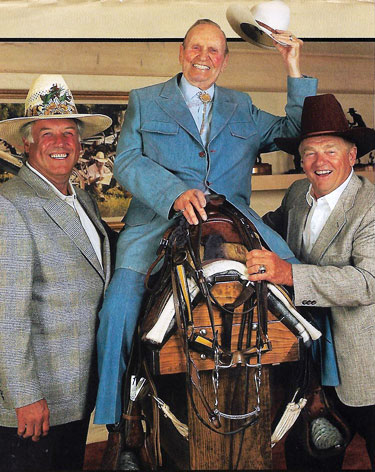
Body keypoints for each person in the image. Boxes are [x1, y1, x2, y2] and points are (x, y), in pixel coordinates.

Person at [95, 18, 318, 425]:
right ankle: (118, 419)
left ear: (225, 60)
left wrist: (293, 65)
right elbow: (125, 160)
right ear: (181, 53)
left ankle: (321, 398)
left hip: (236, 221)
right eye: (195, 48)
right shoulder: (144, 100)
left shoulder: (242, 106)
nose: (203, 57)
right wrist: (172, 195)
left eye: (213, 50)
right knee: (120, 307)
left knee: (304, 283)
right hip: (157, 226)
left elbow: (296, 131)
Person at [246, 93, 375, 469]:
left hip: (364, 364)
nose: (320, 161)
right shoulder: (297, 195)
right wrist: (227, 218)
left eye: (331, 150)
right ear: (300, 160)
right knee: (306, 459)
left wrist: (288, 273)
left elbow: (367, 282)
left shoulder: (371, 206)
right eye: (310, 152)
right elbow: (271, 229)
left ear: (352, 155)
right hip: (309, 365)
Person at [0, 74, 113, 471]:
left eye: (68, 132)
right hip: (35, 403)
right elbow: (6, 317)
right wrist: (25, 395)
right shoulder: (10, 206)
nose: (60, 142)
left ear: (80, 144)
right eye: (46, 132)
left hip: (74, 393)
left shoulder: (81, 199)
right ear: (26, 143)